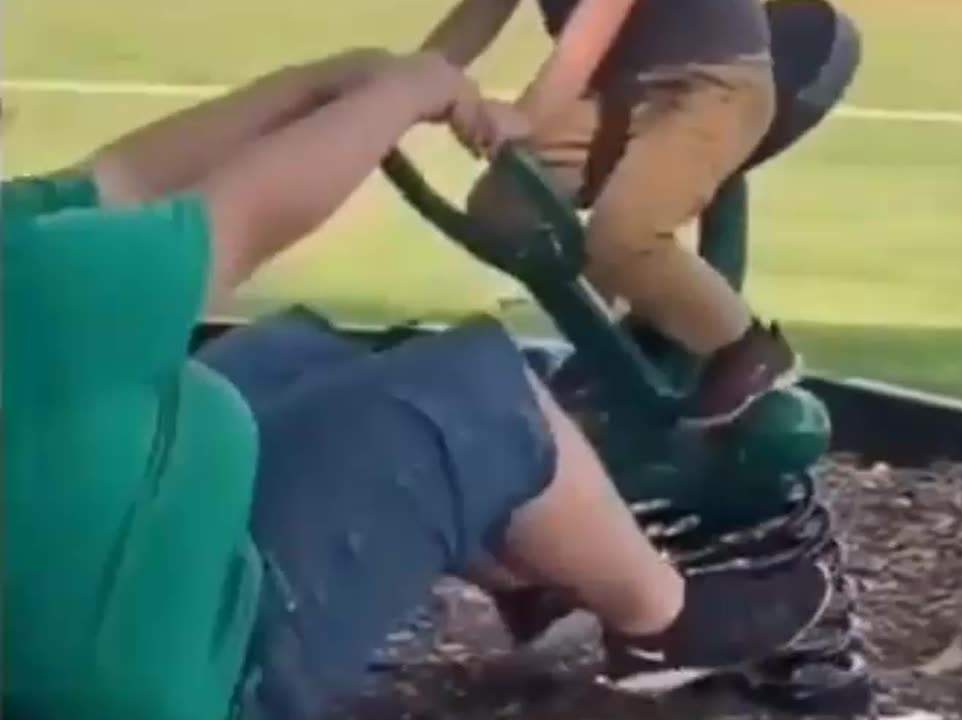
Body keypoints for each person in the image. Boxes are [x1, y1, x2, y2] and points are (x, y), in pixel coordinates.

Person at [3, 46, 836, 720]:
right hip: (195, 673)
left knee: (297, 354)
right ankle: (664, 621)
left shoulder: (24, 246)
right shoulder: (40, 283)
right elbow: (250, 211)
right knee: (473, 387)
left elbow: (124, 178)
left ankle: (536, 571)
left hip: (75, 616)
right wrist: (400, 95)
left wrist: (324, 81)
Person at [422, 0, 799, 428]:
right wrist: (406, 83)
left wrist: (521, 118)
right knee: (504, 207)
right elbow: (482, 10)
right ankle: (615, 342)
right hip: (616, 89)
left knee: (625, 235)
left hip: (712, 85)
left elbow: (588, 34)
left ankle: (744, 347)